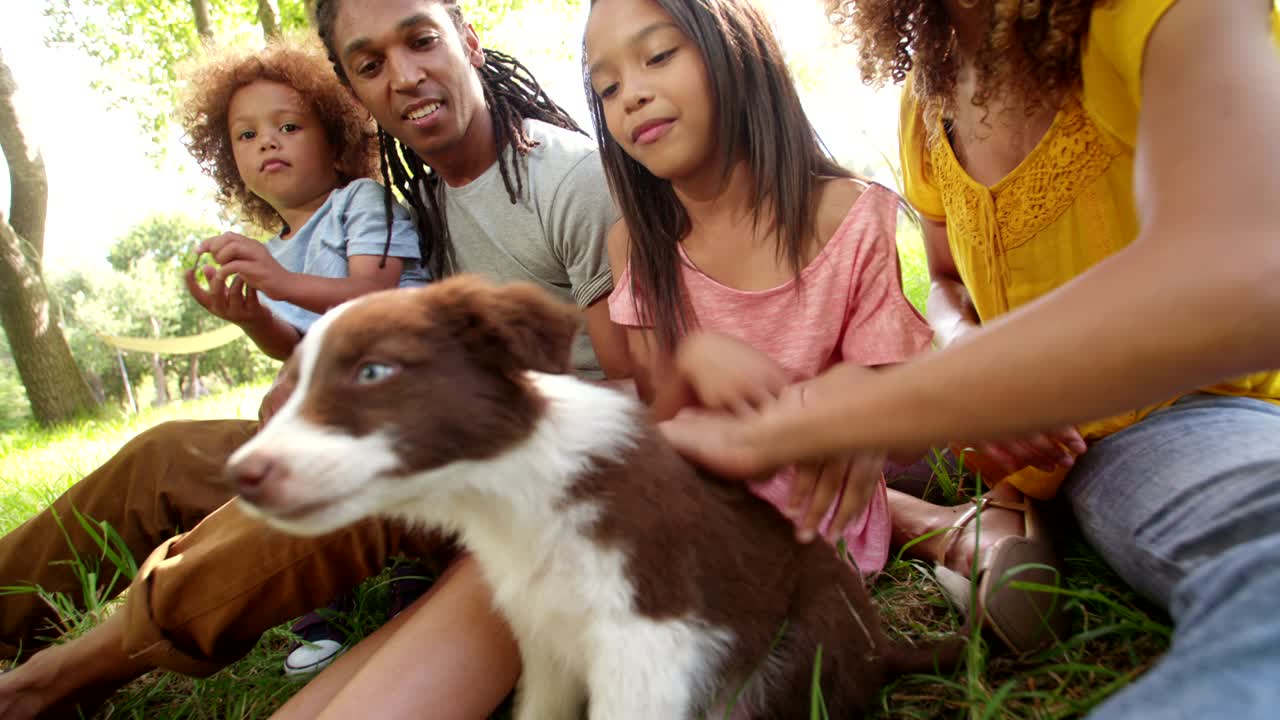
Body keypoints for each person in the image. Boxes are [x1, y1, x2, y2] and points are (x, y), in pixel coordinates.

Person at [0, 1, 626, 716]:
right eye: (369, 64)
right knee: (167, 456)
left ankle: (56, 681)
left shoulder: (568, 180)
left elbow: (632, 389)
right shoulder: (418, 203)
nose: (404, 75)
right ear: (355, 92)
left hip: (513, 485)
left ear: (470, 44)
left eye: (422, 41)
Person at [664, 1, 1280, 718]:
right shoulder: (926, 100)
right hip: (1010, 447)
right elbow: (947, 281)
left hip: (1179, 416)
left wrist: (841, 412)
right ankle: (985, 528)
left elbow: (1243, 269)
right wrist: (971, 357)